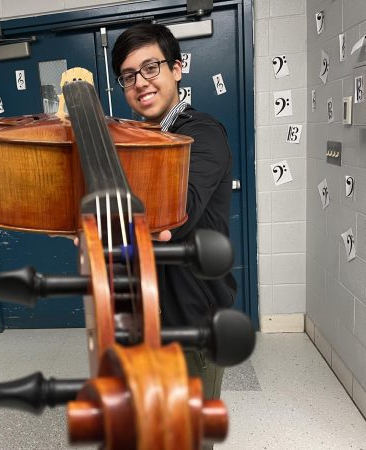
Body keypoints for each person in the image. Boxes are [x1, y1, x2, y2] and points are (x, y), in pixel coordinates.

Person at [112, 23, 237, 405]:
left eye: (151, 68)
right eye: (129, 75)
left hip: (190, 318)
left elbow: (174, 215)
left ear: (177, 68)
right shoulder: (136, 139)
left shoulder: (202, 136)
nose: (140, 83)